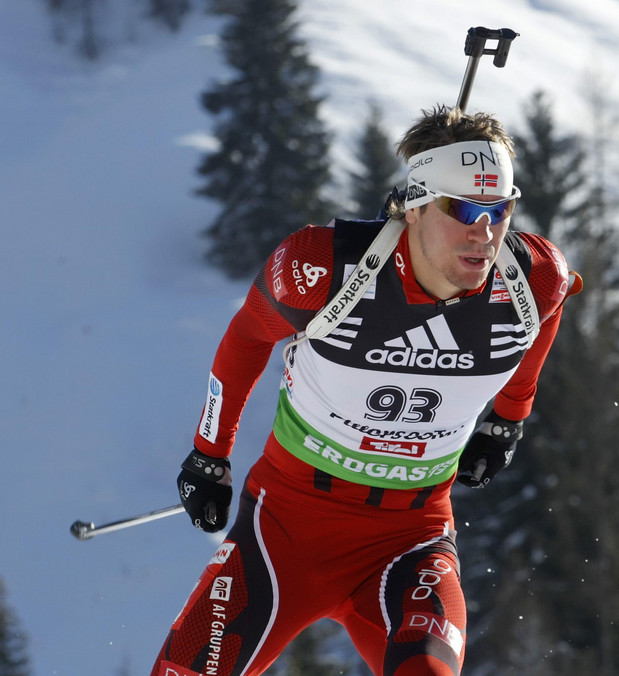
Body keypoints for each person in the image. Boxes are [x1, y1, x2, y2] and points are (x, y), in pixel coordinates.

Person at [150, 104, 580, 676]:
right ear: (418, 203)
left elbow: (547, 315)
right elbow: (248, 337)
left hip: (412, 536)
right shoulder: (324, 268)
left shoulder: (530, 278)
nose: (486, 232)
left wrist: (508, 418)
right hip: (287, 526)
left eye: (500, 208)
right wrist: (209, 455)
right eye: (466, 208)